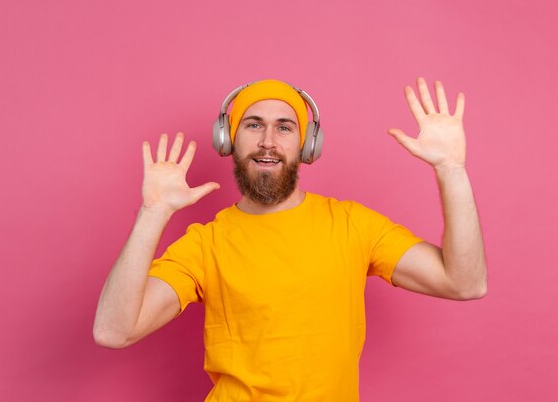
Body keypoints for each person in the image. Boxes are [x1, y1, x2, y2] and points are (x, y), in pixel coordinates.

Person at [93, 78, 487, 401]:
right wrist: (153, 214)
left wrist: (452, 169)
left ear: (307, 144)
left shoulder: (353, 225)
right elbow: (114, 331)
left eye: (284, 127)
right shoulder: (205, 244)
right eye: (253, 124)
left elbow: (465, 282)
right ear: (228, 140)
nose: (268, 140)